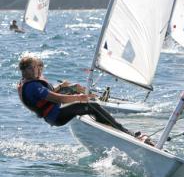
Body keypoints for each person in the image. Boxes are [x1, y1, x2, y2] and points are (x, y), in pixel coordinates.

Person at [17, 56, 155, 146]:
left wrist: (63, 87)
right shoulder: (33, 86)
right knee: (91, 106)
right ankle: (126, 133)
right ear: (25, 70)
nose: (37, 70)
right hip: (55, 116)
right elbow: (56, 98)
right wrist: (79, 98)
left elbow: (51, 95)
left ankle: (110, 126)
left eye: (37, 67)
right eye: (34, 67)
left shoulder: (28, 82)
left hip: (53, 114)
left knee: (78, 95)